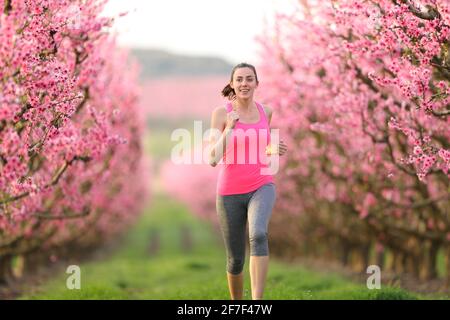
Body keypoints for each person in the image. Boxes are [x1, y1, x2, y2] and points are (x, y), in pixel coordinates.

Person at [208, 62, 288, 300]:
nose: (244, 83)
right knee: (235, 259)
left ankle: (257, 302)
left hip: (262, 184)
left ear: (256, 83)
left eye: (249, 79)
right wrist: (229, 129)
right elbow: (213, 158)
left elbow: (260, 145)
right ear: (232, 84)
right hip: (229, 192)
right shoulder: (221, 113)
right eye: (240, 79)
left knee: (259, 235)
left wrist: (273, 148)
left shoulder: (267, 112)